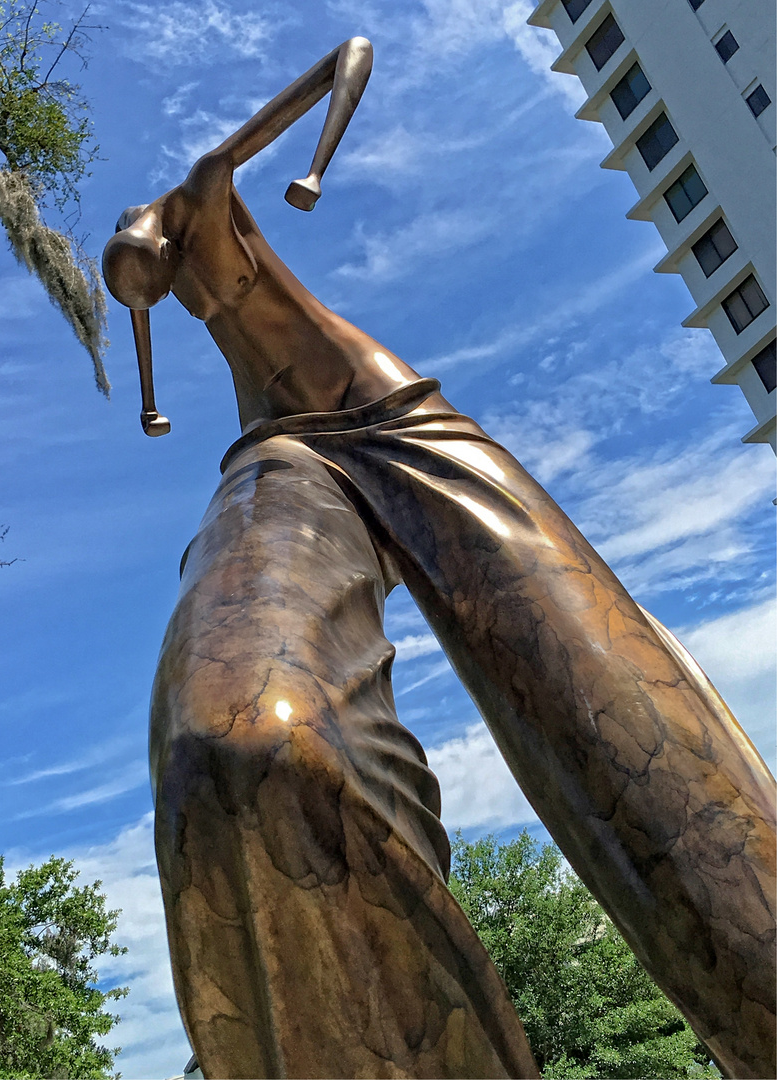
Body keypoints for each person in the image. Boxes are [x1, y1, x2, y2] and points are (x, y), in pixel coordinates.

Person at [103, 38, 775, 1080]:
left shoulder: (206, 185)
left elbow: (347, 56)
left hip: (379, 408)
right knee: (238, 742)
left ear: (151, 229)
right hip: (278, 450)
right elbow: (145, 346)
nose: (142, 285)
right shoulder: (146, 284)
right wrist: (150, 400)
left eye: (140, 268)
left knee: (619, 713)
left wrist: (316, 165)